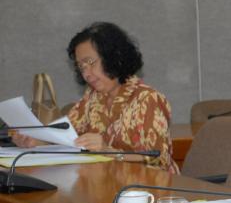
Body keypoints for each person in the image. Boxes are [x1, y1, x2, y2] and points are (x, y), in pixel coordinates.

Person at [13, 22, 179, 173]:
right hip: (105, 184)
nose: (86, 73)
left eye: (90, 62)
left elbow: (160, 160)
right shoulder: (93, 97)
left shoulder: (147, 99)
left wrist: (109, 151)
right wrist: (37, 141)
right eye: (81, 67)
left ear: (113, 57)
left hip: (146, 190)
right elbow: (67, 137)